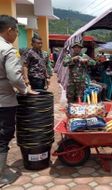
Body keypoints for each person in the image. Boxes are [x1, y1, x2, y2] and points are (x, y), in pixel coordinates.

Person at [0, 15, 37, 185]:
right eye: (16, 31)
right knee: (3, 136)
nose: (16, 34)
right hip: (4, 101)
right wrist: (25, 90)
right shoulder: (7, 49)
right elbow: (15, 77)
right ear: (9, 30)